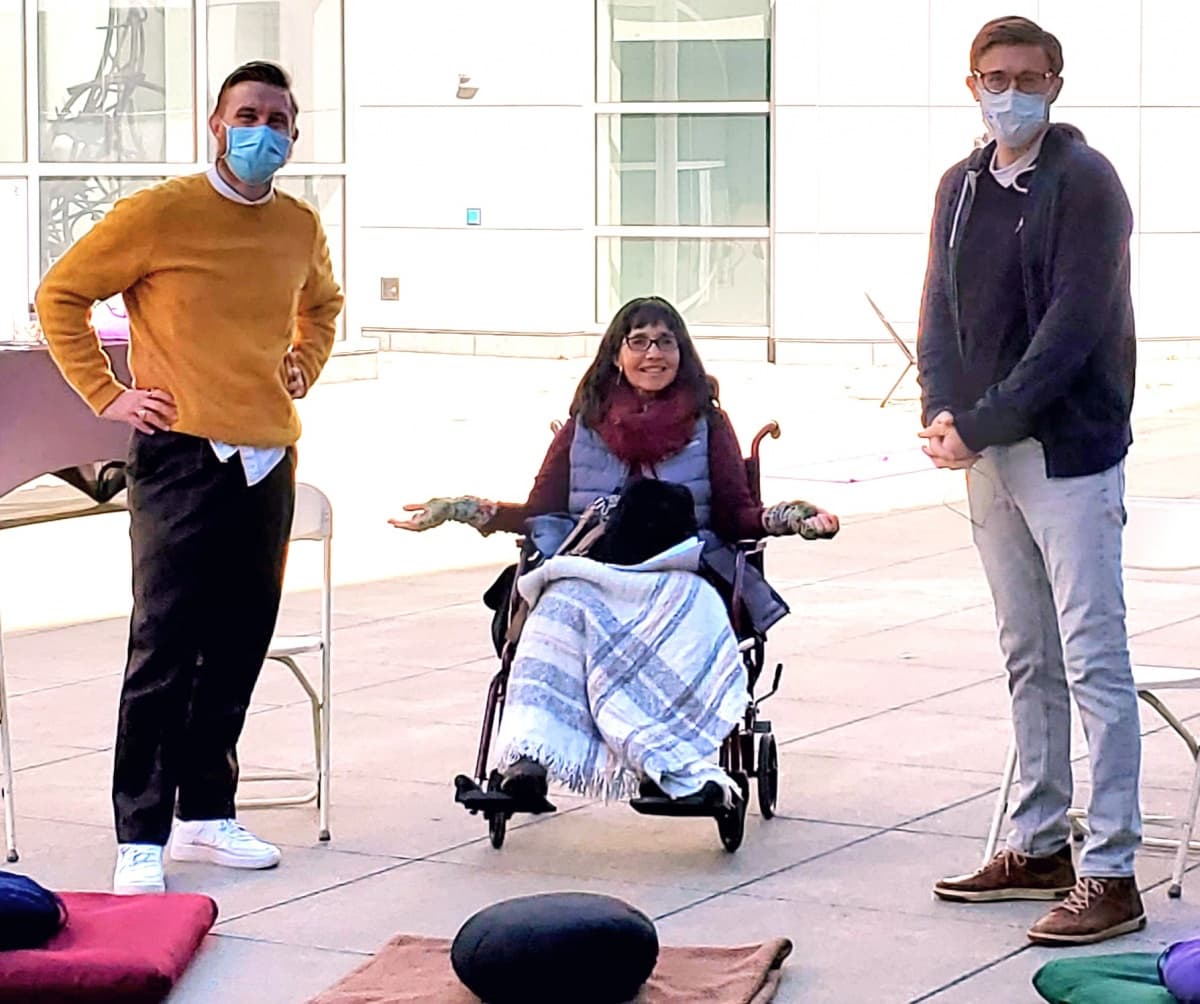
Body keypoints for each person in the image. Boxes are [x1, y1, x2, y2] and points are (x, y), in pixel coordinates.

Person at [35, 60, 344, 894]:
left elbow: (324, 304)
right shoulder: (159, 214)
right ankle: (141, 832)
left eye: (279, 120)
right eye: (248, 115)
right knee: (164, 645)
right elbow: (60, 295)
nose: (263, 132)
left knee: (240, 642)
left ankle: (208, 815)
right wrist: (109, 394)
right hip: (179, 454)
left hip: (268, 455)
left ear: (294, 136)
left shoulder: (297, 226)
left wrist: (304, 362)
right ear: (215, 124)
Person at [392, 296, 838, 802]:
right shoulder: (586, 424)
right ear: (616, 354)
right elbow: (541, 510)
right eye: (640, 341)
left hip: (681, 569)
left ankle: (673, 768)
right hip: (593, 569)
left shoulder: (708, 424)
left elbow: (737, 514)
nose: (654, 353)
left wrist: (793, 517)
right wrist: (463, 508)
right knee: (553, 612)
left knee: (690, 618)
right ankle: (526, 765)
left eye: (666, 341)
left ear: (682, 351)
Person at [916, 17, 1141, 945]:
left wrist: (987, 420)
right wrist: (942, 409)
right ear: (971, 84)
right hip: (985, 454)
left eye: (1028, 76)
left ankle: (1113, 867)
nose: (1011, 91)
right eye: (994, 76)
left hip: (1066, 452)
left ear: (1056, 80)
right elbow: (939, 305)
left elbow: (1071, 329)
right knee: (1027, 656)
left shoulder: (1086, 184)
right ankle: (1039, 842)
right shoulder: (961, 188)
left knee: (1093, 658)